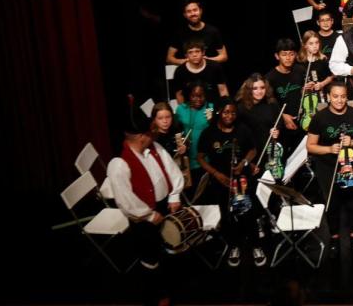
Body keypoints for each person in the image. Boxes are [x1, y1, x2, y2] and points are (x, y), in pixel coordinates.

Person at [107, 102, 185, 270]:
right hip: (145, 219)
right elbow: (126, 202)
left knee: (169, 248)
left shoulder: (155, 147)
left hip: (165, 206)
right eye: (151, 133)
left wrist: (174, 195)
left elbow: (173, 170)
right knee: (151, 257)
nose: (154, 135)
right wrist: (148, 216)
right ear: (142, 136)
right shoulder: (119, 165)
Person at [196, 99, 266, 267]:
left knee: (248, 214)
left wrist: (243, 163)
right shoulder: (209, 133)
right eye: (226, 112)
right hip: (222, 182)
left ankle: (256, 246)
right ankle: (234, 246)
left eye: (233, 113)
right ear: (220, 111)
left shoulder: (242, 130)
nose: (229, 116)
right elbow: (199, 157)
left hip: (242, 180)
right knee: (228, 216)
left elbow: (253, 149)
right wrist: (216, 173)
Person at [306, 83, 353, 250]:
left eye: (343, 96)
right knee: (332, 202)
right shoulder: (319, 117)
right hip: (328, 167)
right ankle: (334, 236)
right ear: (328, 97)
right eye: (335, 96)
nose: (339, 100)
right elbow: (310, 146)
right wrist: (329, 148)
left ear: (347, 97)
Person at [265, 39, 308, 153]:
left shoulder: (301, 70)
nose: (288, 58)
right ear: (277, 56)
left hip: (303, 121)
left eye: (291, 54)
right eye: (284, 54)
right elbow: (268, 103)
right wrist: (283, 115)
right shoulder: (270, 78)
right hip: (283, 125)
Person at [166, 0, 228, 65]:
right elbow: (169, 58)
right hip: (187, 71)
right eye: (189, 11)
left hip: (208, 71)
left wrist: (206, 60)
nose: (193, 14)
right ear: (185, 15)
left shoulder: (213, 31)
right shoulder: (179, 32)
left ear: (200, 11)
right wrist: (187, 62)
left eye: (195, 10)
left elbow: (224, 56)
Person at [174, 82, 214, 185]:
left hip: (205, 159)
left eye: (201, 96)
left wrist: (212, 120)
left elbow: (216, 131)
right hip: (187, 157)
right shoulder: (181, 109)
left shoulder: (210, 107)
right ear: (189, 95)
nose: (198, 99)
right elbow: (176, 131)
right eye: (194, 96)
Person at [172, 40, 229, 105]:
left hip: (212, 106)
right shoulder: (180, 71)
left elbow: (223, 90)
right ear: (186, 55)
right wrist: (183, 111)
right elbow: (179, 94)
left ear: (203, 52)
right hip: (190, 108)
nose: (194, 55)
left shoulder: (214, 67)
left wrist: (224, 105)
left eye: (197, 51)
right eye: (190, 52)